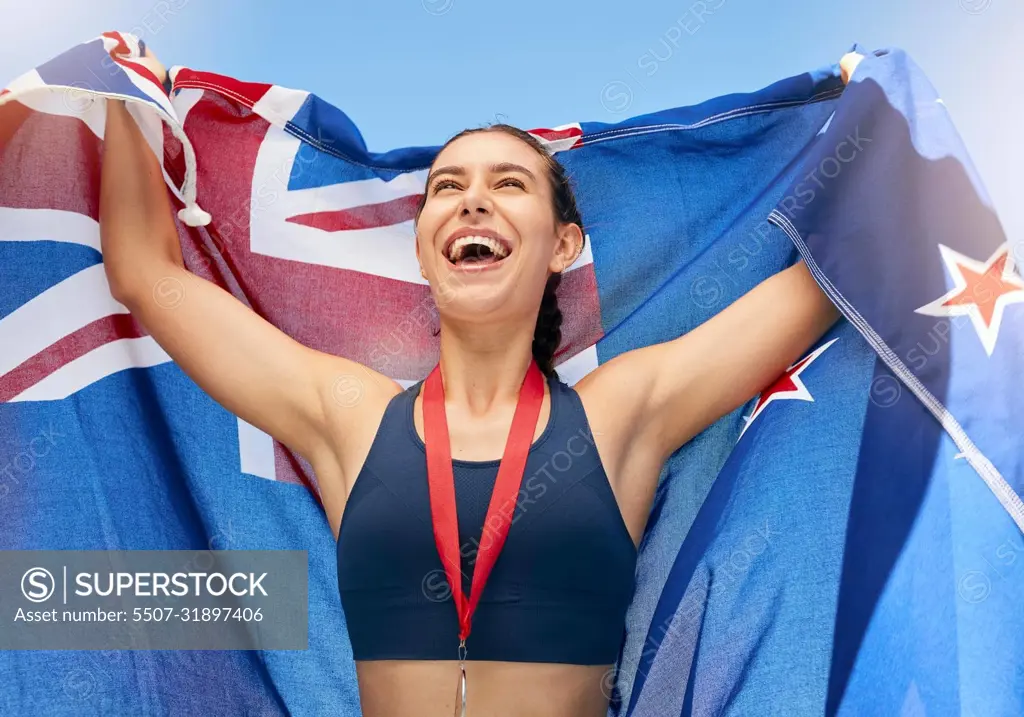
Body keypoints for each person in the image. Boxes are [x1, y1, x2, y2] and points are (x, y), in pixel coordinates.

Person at [100, 47, 863, 717]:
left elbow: (834, 278)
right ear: (426, 252)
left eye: (509, 184)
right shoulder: (350, 417)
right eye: (447, 186)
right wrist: (122, 91)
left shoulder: (622, 412)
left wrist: (879, 113)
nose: (473, 198)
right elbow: (144, 273)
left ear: (563, 245)